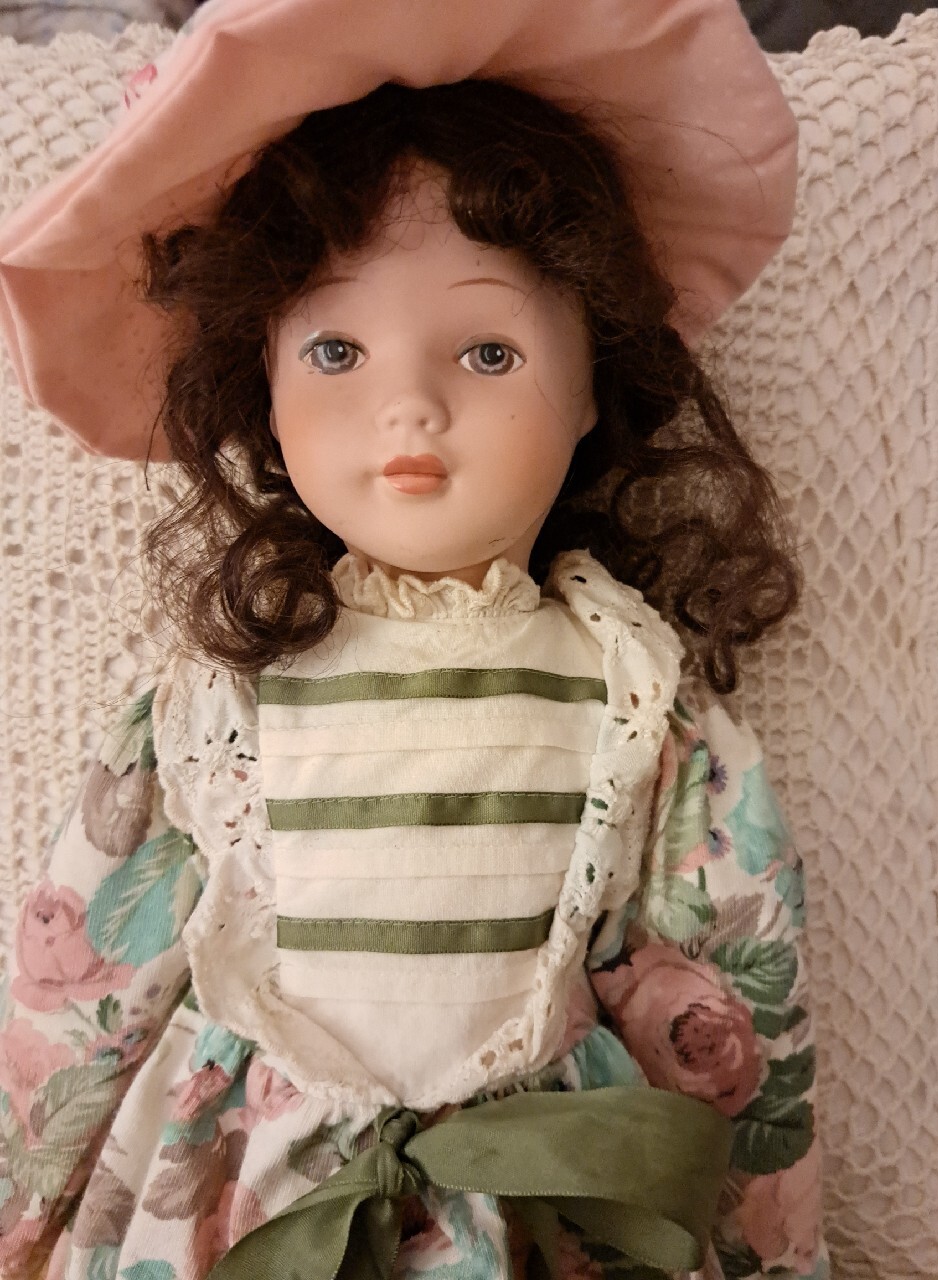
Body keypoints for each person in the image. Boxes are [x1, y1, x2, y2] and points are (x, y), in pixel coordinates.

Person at [0, 3, 826, 1278]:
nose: (409, 405)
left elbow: (731, 998)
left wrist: (772, 1246)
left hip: (548, 1198)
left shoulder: (630, 692)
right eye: (336, 347)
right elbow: (86, 989)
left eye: (489, 350)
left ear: (593, 379)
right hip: (251, 1205)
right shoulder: (219, 704)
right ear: (263, 379)